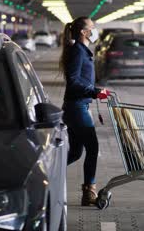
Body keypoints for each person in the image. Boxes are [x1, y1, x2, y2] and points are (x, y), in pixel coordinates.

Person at [59, 16, 109, 206]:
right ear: (83, 31)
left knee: (75, 153)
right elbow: (73, 80)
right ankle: (89, 191)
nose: (94, 30)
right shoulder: (78, 51)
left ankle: (45, 173)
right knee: (92, 148)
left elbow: (81, 79)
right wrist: (93, 91)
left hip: (76, 106)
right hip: (77, 107)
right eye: (92, 27)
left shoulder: (81, 50)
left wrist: (95, 90)